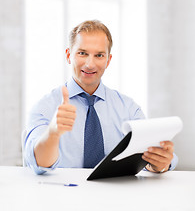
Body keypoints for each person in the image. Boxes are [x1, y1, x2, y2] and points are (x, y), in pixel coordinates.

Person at [24, 20, 177, 175]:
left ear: (108, 60)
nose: (90, 64)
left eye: (99, 55)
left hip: (115, 196)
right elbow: (38, 163)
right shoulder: (45, 107)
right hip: (64, 195)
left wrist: (159, 163)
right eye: (82, 53)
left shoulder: (128, 108)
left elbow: (148, 154)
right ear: (69, 56)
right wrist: (53, 133)